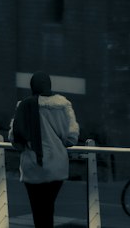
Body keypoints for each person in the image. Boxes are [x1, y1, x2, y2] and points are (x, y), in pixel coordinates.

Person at [9, 72, 79, 228]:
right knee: (48, 207)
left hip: (32, 166)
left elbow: (15, 139)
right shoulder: (63, 105)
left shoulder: (24, 105)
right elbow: (71, 138)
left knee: (38, 210)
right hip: (57, 166)